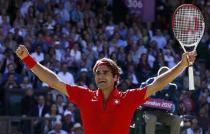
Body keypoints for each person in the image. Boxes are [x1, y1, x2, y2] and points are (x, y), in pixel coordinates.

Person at [15, 45, 197, 134]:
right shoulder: (84, 96)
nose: (100, 76)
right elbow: (54, 81)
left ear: (116, 77)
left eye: (105, 73)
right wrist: (28, 59)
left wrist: (182, 65)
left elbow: (158, 83)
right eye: (97, 73)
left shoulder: (129, 98)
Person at [141, 66, 182, 134]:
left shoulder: (171, 87)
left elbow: (174, 102)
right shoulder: (150, 83)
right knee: (152, 119)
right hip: (149, 112)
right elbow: (142, 96)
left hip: (163, 113)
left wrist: (172, 106)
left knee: (177, 119)